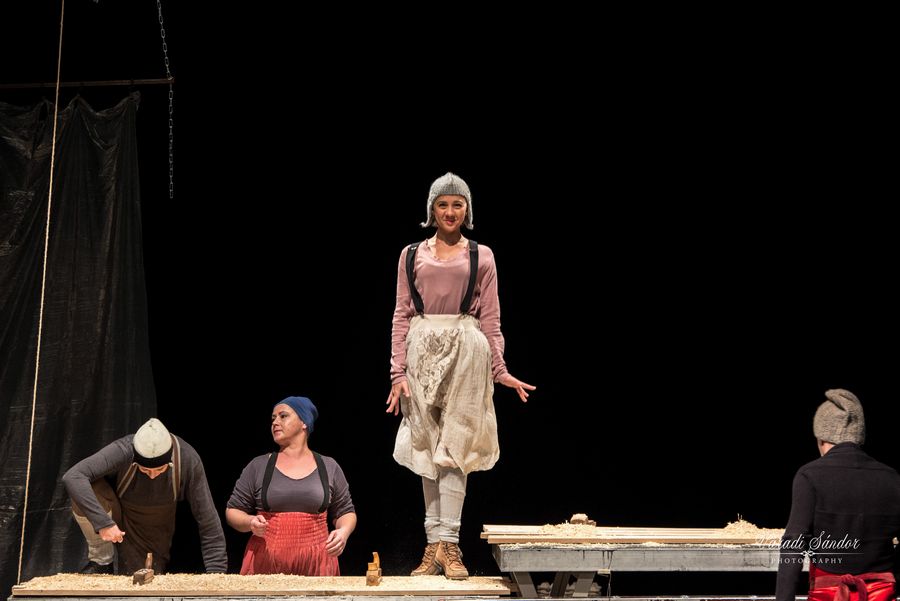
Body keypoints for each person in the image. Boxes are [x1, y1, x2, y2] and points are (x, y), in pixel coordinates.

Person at [385, 172, 535, 579]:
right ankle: (433, 545)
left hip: (467, 349)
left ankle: (449, 544)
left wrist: (499, 369)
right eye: (443, 204)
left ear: (467, 209)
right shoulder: (411, 254)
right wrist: (397, 372)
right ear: (431, 210)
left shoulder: (481, 255)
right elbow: (401, 314)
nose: (450, 212)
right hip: (422, 350)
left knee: (455, 446)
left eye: (457, 204)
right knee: (426, 447)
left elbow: (492, 316)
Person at [775, 389, 900, 601]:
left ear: (821, 438)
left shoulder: (809, 475)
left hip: (829, 596)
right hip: (881, 595)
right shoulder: (892, 477)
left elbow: (793, 544)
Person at [62, 418, 227, 575]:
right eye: (145, 470)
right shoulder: (124, 449)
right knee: (89, 488)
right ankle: (102, 561)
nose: (153, 476)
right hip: (119, 516)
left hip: (154, 529)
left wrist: (216, 573)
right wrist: (103, 523)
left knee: (143, 581)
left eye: (160, 470)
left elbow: (207, 519)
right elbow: (73, 476)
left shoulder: (187, 458)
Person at [226, 396, 357, 575]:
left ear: (304, 422)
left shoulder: (328, 466)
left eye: (283, 416)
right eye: (273, 418)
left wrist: (343, 532)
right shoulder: (259, 466)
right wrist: (250, 522)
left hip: (316, 562)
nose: (275, 422)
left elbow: (345, 512)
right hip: (266, 561)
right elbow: (232, 511)